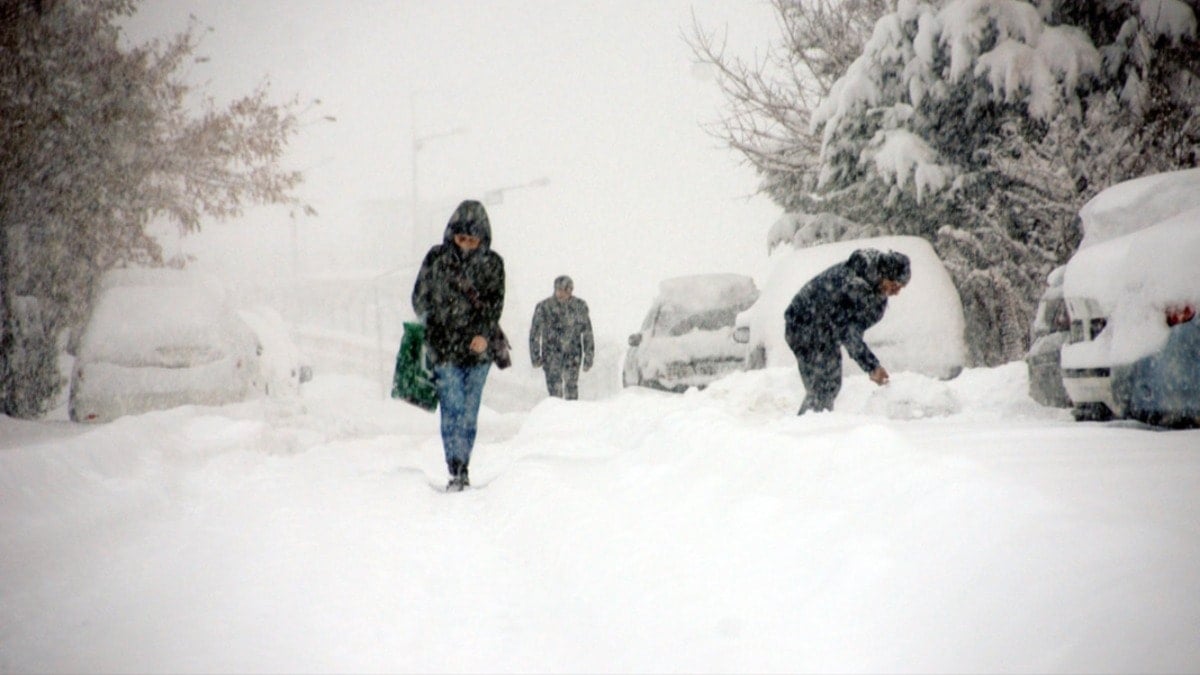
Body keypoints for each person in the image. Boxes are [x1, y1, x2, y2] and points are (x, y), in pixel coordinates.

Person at [412, 200, 505, 491]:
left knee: (468, 411)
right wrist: (437, 325)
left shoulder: (493, 264)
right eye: (461, 238)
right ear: (452, 234)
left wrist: (483, 334)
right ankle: (455, 468)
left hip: (480, 352)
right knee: (451, 407)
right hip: (444, 349)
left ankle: (463, 465)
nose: (466, 245)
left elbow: (495, 305)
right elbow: (419, 298)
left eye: (473, 240)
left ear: (483, 239)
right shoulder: (436, 259)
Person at [784, 248, 910, 415]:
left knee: (831, 385)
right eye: (894, 285)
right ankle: (805, 432)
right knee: (822, 387)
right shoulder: (854, 283)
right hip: (803, 325)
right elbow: (849, 334)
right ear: (884, 275)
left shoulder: (875, 292)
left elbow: (853, 330)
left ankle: (813, 426)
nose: (897, 292)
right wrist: (872, 366)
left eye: (901, 287)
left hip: (825, 330)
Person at [529, 275, 594, 400]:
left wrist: (589, 356)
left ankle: (571, 417)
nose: (561, 293)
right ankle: (556, 417)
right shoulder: (544, 307)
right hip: (551, 353)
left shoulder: (579, 307)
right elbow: (534, 334)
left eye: (565, 290)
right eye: (558, 289)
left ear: (571, 290)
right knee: (554, 393)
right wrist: (535, 356)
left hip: (572, 354)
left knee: (571, 390)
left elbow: (587, 333)